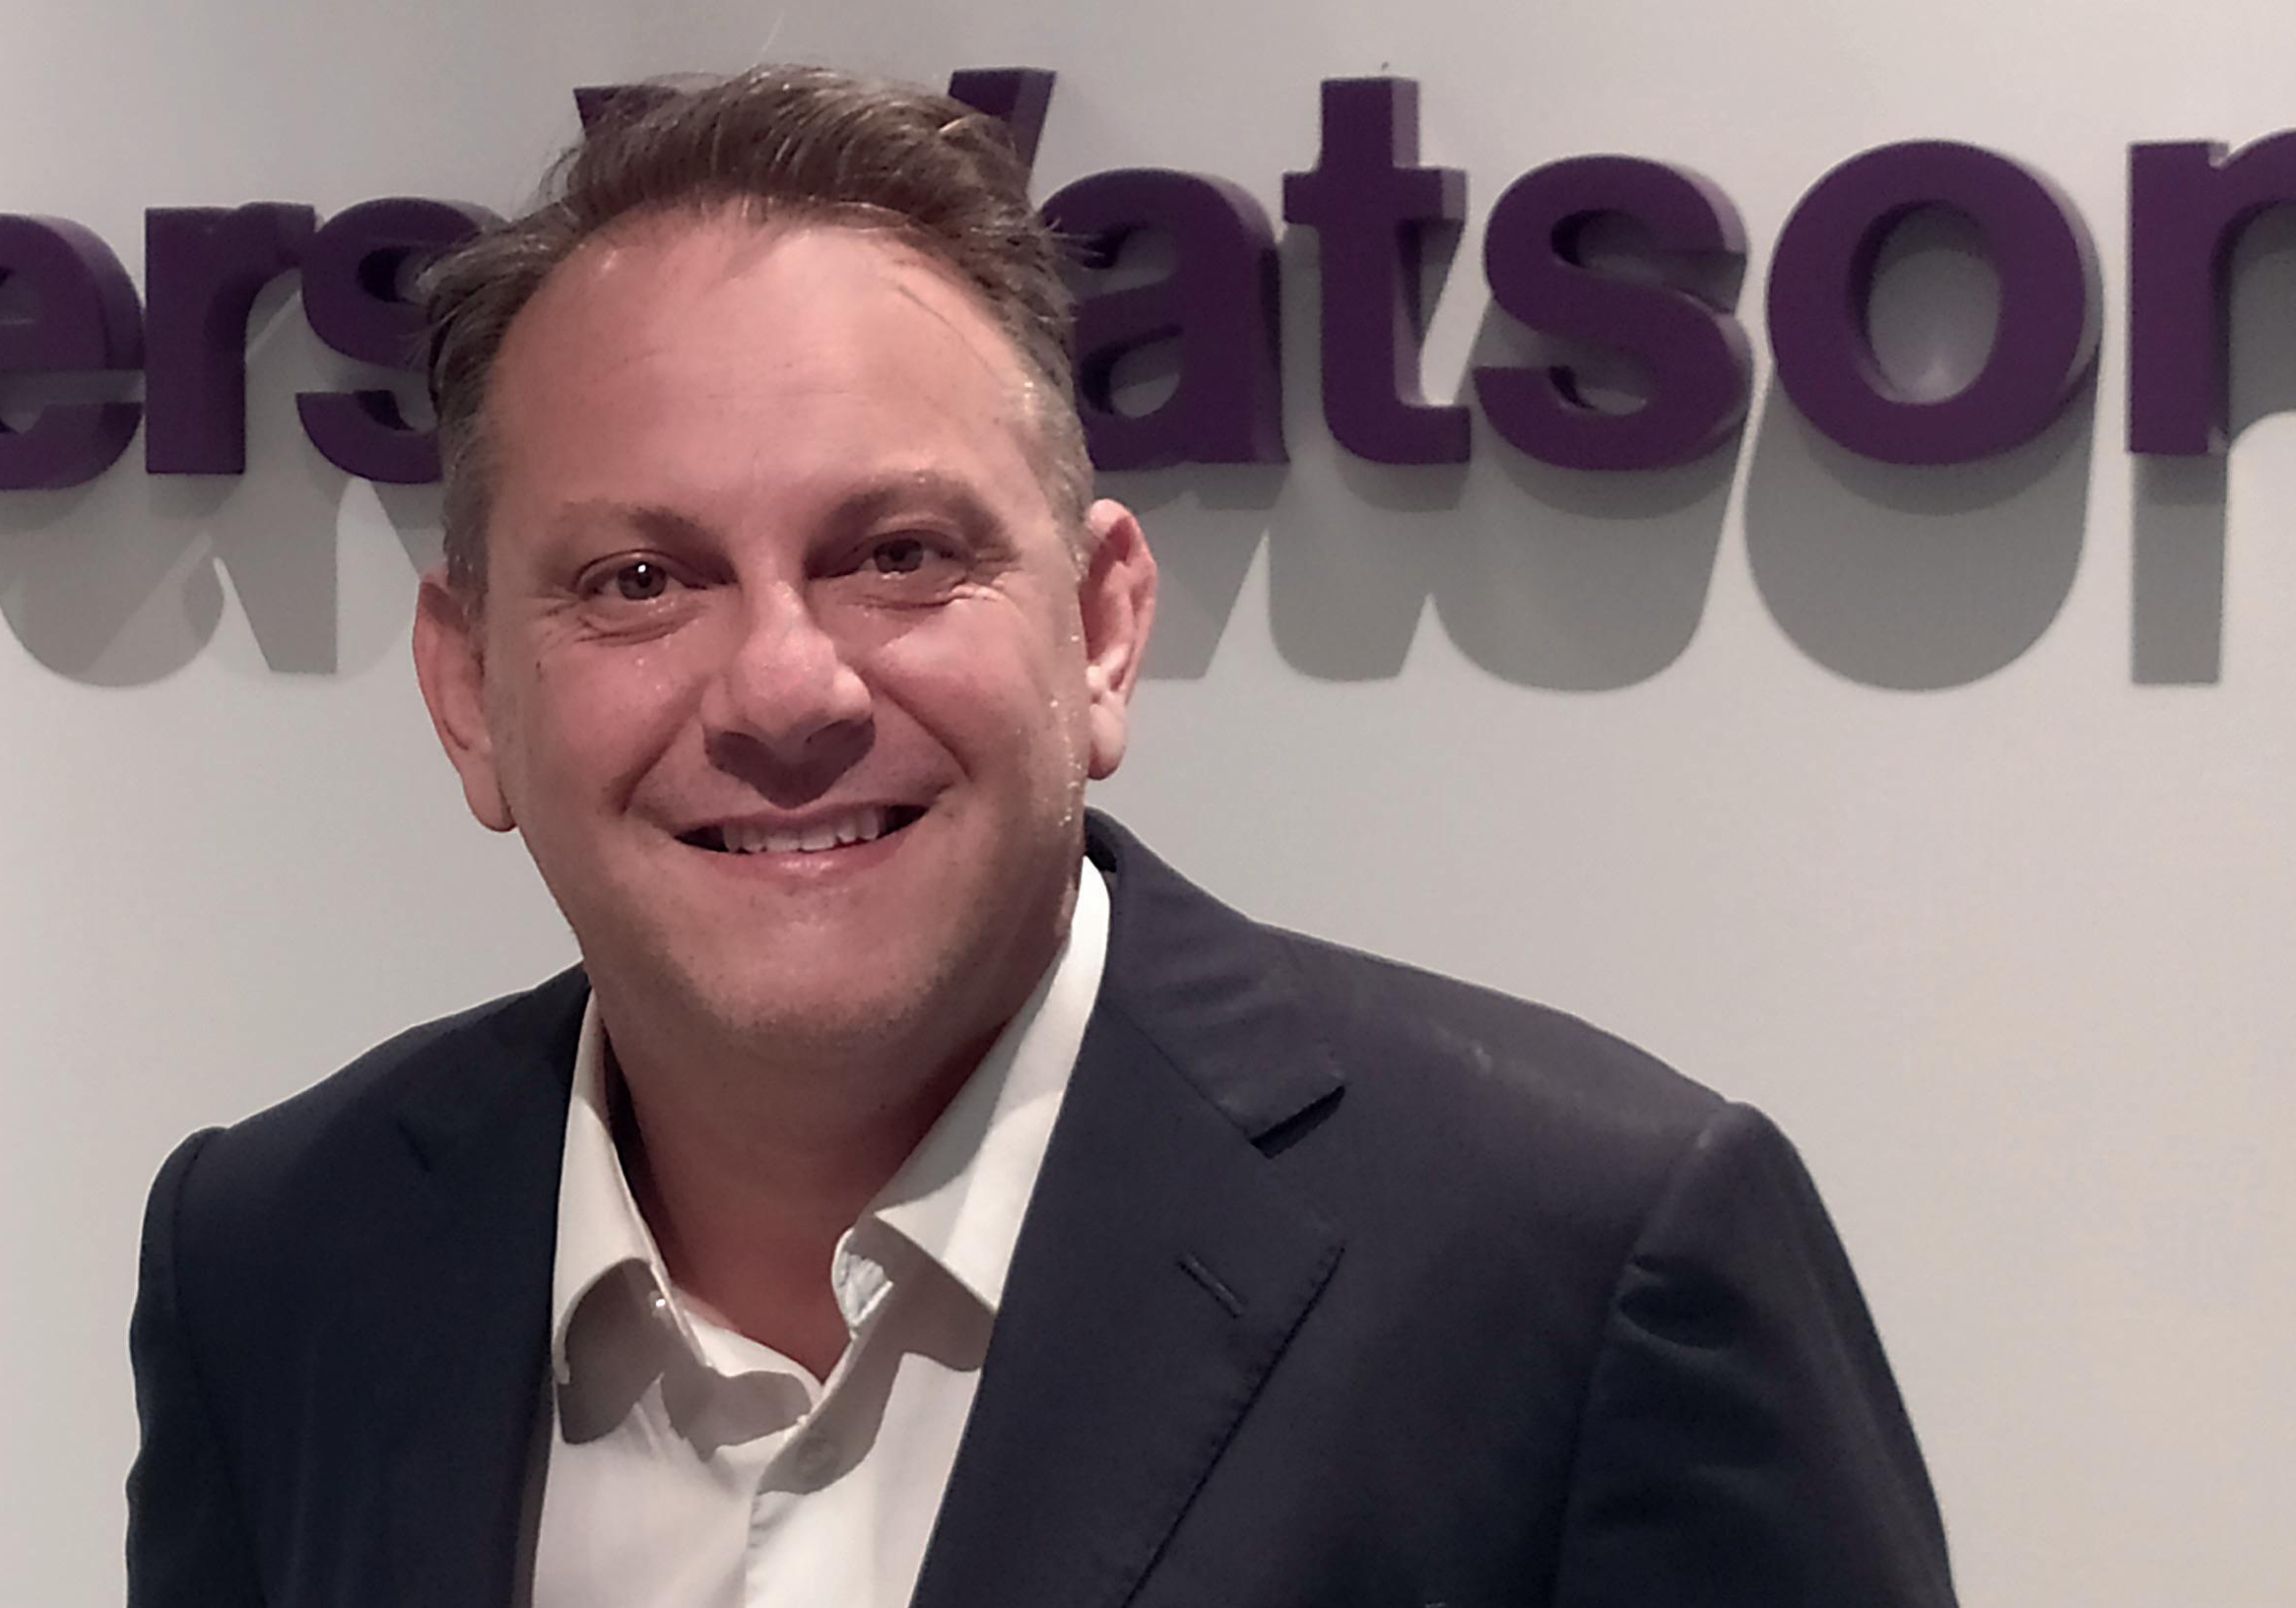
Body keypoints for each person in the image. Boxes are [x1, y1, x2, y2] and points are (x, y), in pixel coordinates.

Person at [124, 66, 1956, 1608]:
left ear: (1098, 632)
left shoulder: (1592, 1268)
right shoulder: (277, 1263)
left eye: (897, 553)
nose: (783, 687)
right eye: (638, 579)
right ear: (468, 693)